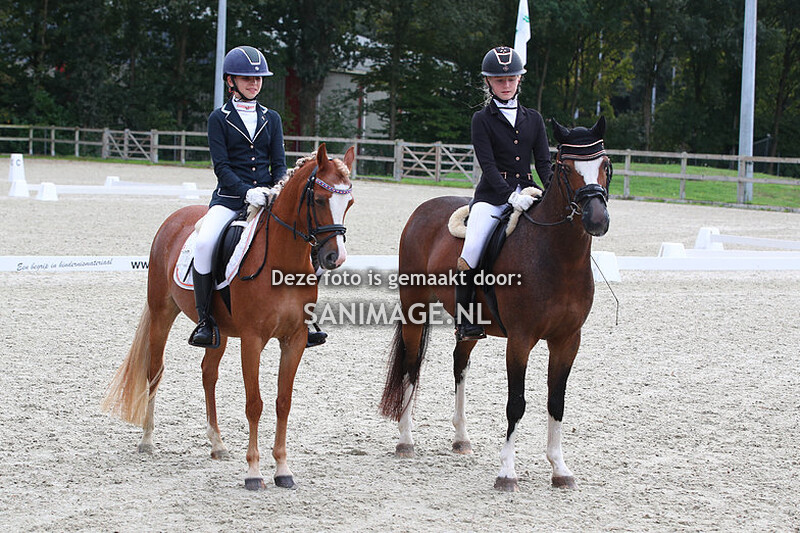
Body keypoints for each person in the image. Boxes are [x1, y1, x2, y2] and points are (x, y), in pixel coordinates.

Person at [190, 45, 328, 348]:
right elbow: (222, 167)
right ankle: (205, 320)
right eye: (246, 79)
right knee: (203, 243)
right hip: (229, 199)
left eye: (258, 79)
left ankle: (307, 316)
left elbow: (279, 164)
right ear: (231, 81)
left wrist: (276, 189)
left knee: (311, 240)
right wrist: (246, 191)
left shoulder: (272, 118)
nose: (254, 84)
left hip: (268, 199)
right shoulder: (219, 118)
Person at [455, 46, 554, 341]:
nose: (506, 85)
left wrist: (552, 193)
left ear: (519, 80)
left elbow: (545, 164)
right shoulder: (481, 120)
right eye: (500, 80)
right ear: (488, 82)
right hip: (493, 196)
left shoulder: (534, 119)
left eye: (511, 79)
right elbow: (488, 166)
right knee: (471, 250)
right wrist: (510, 196)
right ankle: (466, 321)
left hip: (530, 191)